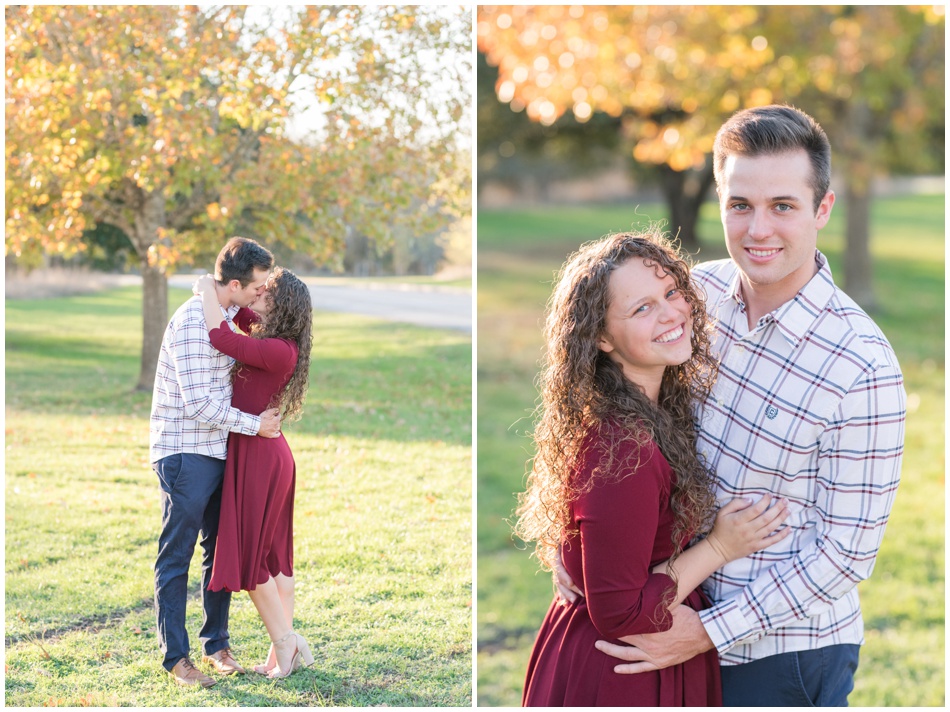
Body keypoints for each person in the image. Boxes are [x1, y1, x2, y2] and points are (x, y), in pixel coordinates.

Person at [561, 105, 906, 706]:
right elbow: (600, 399)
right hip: (666, 613)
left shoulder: (863, 366)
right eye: (740, 205)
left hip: (781, 654)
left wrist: (709, 632)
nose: (758, 230)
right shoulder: (694, 298)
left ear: (822, 210)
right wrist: (575, 544)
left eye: (783, 206)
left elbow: (845, 555)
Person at [517, 231, 792, 706]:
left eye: (670, 293)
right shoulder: (623, 448)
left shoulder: (651, 408)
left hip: (642, 657)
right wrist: (721, 547)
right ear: (600, 337)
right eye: (641, 309)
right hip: (620, 671)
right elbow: (620, 613)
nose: (670, 313)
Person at [149, 236, 282, 688]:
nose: (262, 292)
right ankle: (176, 658)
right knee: (178, 553)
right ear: (236, 284)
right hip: (185, 451)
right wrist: (255, 425)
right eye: (258, 285)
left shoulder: (222, 313)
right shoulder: (192, 321)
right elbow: (199, 404)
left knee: (218, 549)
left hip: (219, 449)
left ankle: (216, 644)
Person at [195, 265, 315, 678]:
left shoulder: (278, 349)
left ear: (278, 306)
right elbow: (242, 315)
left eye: (264, 293)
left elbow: (220, 336)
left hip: (260, 458)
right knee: (275, 559)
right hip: (267, 452)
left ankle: (286, 644)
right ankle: (283, 649)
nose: (255, 296)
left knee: (252, 560)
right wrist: (225, 289)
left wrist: (205, 291)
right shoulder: (273, 338)